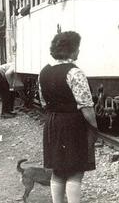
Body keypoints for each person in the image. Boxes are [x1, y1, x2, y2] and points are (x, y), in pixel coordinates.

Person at [39, 31, 97, 203]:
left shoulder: (44, 71)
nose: (78, 52)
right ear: (71, 50)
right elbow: (86, 106)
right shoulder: (75, 73)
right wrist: (94, 127)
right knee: (75, 171)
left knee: (58, 171)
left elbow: (43, 102)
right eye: (77, 48)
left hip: (52, 123)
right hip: (72, 124)